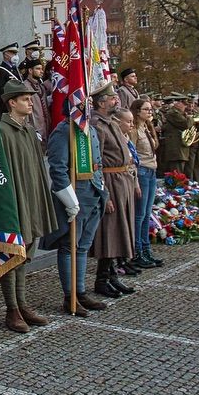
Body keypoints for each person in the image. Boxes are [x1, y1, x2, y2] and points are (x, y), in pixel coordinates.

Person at [0, 81, 56, 333]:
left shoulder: (29, 131)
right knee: (11, 254)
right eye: (25, 99)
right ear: (12, 102)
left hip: (31, 196)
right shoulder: (1, 131)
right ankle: (11, 309)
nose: (31, 102)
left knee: (26, 252)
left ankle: (22, 303)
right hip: (14, 200)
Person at [43, 114, 104, 316]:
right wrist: (69, 200)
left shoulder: (90, 129)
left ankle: (81, 291)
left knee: (83, 246)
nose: (89, 106)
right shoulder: (63, 131)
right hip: (75, 194)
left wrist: (102, 189)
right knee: (70, 246)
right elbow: (58, 169)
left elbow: (97, 162)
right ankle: (70, 296)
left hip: (93, 191)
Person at [87, 84, 136, 300]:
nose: (116, 101)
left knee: (121, 229)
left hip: (122, 179)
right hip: (110, 180)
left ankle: (113, 274)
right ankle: (102, 279)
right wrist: (104, 192)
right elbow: (95, 161)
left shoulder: (112, 123)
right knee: (110, 232)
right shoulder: (97, 125)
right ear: (101, 102)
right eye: (112, 98)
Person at [125, 98, 163, 270]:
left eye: (150, 110)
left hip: (151, 170)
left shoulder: (147, 127)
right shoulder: (133, 131)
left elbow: (155, 146)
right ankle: (137, 251)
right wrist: (134, 182)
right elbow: (131, 155)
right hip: (141, 172)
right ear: (137, 111)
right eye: (146, 110)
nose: (150, 112)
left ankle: (146, 249)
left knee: (147, 214)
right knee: (139, 215)